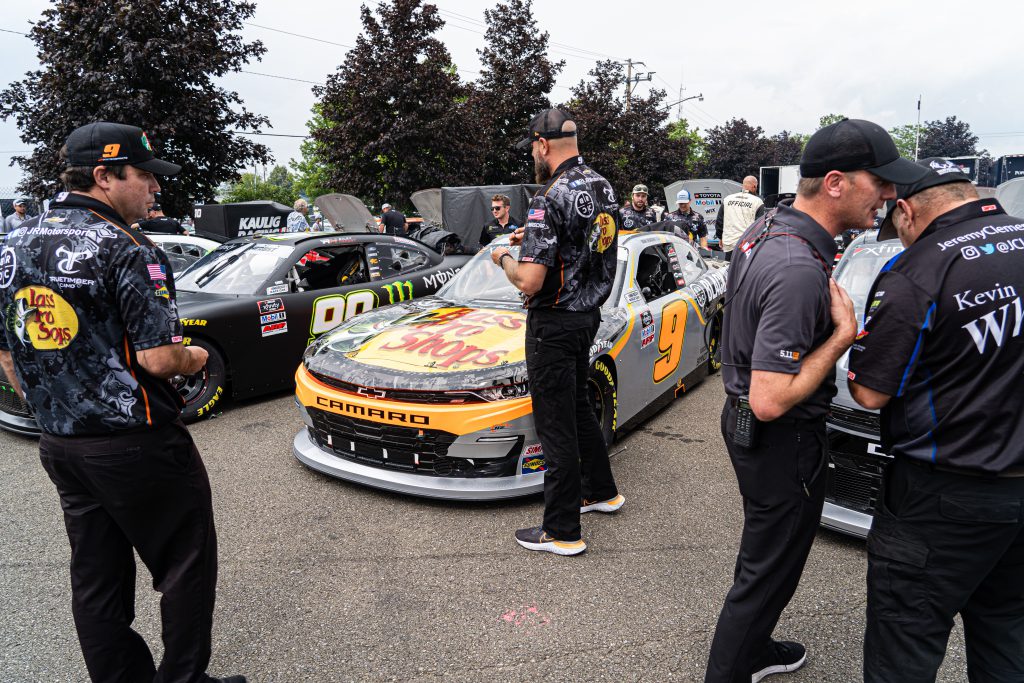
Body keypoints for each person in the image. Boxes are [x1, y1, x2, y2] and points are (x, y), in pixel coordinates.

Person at [0, 122, 244, 683]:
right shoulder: (130, 247)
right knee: (185, 567)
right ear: (105, 177)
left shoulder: (12, 243)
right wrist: (200, 361)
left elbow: (8, 352)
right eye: (147, 176)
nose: (157, 188)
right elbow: (160, 359)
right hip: (137, 442)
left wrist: (51, 403)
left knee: (96, 577)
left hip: (60, 443)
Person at [705, 119, 927, 683]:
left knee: (770, 560)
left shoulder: (771, 227)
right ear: (834, 183)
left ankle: (753, 650)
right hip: (781, 439)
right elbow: (770, 400)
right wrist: (840, 338)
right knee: (766, 573)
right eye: (879, 182)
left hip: (753, 434)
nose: (889, 195)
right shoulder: (795, 264)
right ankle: (732, 667)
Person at [846, 158, 1024, 682]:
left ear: (905, 211)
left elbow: (869, 392)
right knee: (1008, 636)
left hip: (943, 497)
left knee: (904, 647)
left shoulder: (917, 269)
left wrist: (841, 331)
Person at [491, 107, 623, 556]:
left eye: (532, 146)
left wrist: (504, 260)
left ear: (542, 145)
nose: (533, 153)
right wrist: (526, 245)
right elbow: (582, 245)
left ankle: (562, 530)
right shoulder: (603, 186)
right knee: (579, 408)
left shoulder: (550, 195)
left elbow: (530, 280)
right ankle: (601, 492)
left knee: (555, 424)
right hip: (587, 317)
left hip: (553, 321)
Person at [717, 175, 765, 260]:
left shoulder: (727, 199)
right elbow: (759, 225)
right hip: (746, 244)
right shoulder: (757, 202)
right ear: (754, 186)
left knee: (729, 269)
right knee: (744, 271)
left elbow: (720, 221)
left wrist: (720, 237)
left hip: (729, 243)